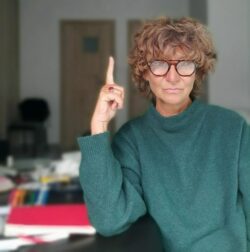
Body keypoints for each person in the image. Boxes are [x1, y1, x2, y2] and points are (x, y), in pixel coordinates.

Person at [77, 16, 250, 252]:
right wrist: (99, 126)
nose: (173, 76)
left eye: (185, 63)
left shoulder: (232, 127)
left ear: (197, 72)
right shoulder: (131, 139)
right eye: (159, 64)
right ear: (145, 73)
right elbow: (109, 221)